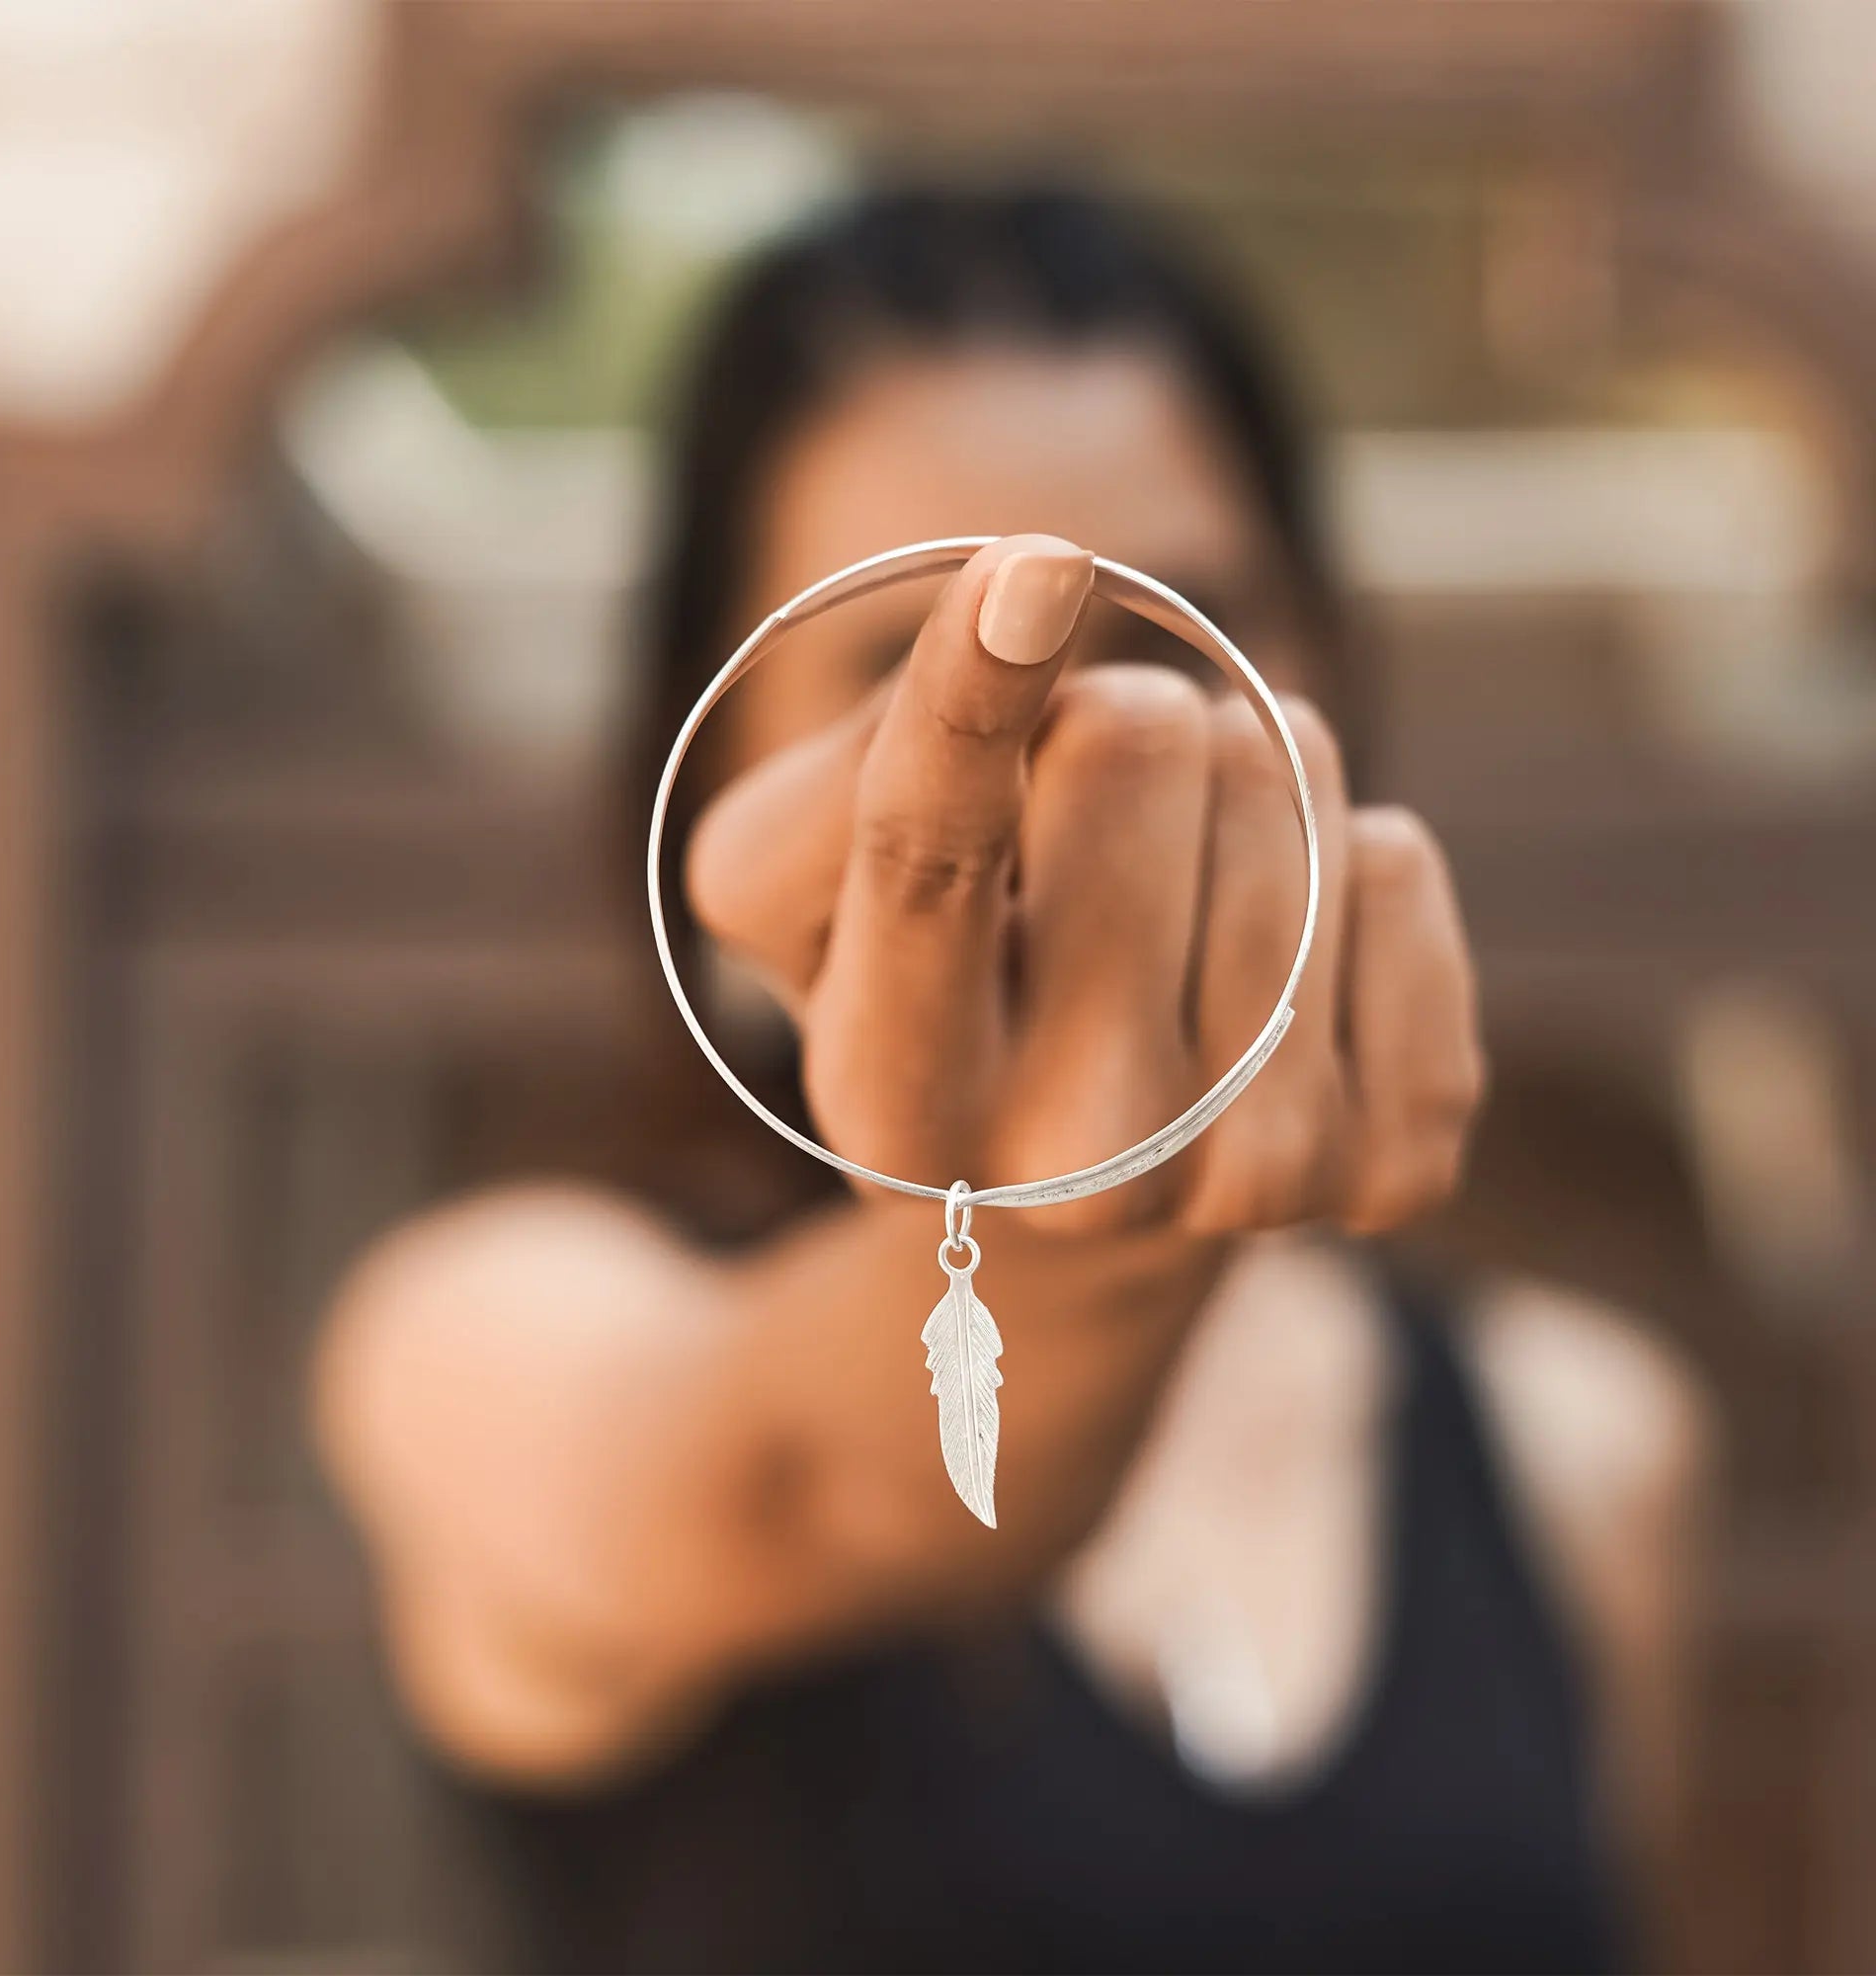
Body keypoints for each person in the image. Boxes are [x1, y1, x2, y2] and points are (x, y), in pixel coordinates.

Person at [314, 185, 1709, 1974]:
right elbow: (807, 1477)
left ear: (1325, 676)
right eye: (903, 664)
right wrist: (1076, 1238)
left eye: (1173, 635)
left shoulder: (1579, 1447)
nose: (1067, 755)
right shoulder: (488, 1340)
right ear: (708, 754)